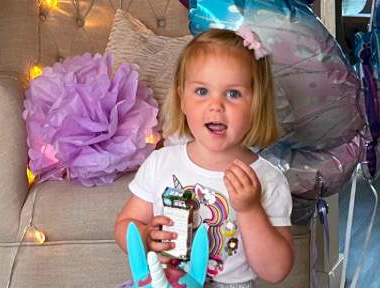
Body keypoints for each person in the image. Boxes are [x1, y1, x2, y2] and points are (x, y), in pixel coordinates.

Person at [114, 28, 294, 287]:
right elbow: (124, 225)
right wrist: (145, 236)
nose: (216, 105)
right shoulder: (160, 163)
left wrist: (250, 209)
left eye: (233, 93)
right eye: (201, 91)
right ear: (182, 99)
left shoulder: (267, 179)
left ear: (257, 104)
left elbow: (275, 271)